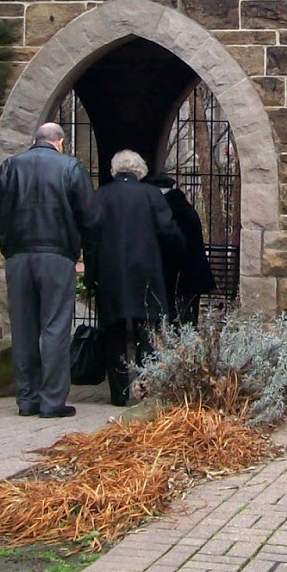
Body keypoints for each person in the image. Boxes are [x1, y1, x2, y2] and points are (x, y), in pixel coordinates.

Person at [0, 122, 95, 419]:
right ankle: (52, 401)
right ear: (59, 141)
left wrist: (10, 244)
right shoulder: (70, 167)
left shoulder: (11, 167)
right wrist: (77, 246)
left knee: (23, 329)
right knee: (55, 327)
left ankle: (27, 399)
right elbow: (89, 216)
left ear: (36, 140)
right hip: (57, 256)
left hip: (19, 256)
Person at [88, 150, 183, 406]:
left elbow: (91, 237)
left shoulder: (101, 196)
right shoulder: (151, 195)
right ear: (140, 170)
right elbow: (167, 230)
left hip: (112, 273)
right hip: (146, 271)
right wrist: (174, 257)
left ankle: (118, 393)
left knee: (114, 332)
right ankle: (146, 388)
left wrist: (92, 274)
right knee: (147, 331)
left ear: (114, 170)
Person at [144, 172, 216, 326]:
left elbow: (171, 244)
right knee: (185, 320)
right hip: (190, 275)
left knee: (177, 320)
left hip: (178, 276)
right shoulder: (181, 206)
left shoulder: (169, 209)